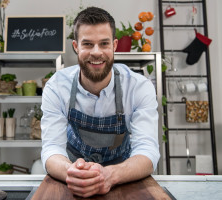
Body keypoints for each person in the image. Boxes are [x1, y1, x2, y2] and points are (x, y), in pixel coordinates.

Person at [41, 6, 160, 198]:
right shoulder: (57, 86)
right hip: (72, 176)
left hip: (122, 175)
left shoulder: (138, 87)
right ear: (75, 47)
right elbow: (51, 148)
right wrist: (72, 173)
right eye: (87, 44)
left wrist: (111, 175)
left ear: (114, 45)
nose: (96, 52)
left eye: (104, 44)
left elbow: (147, 151)